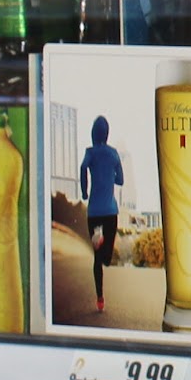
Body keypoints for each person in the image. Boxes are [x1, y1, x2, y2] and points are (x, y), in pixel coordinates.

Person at [79, 115, 124, 314]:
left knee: (97, 259)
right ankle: (103, 244)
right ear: (107, 134)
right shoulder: (113, 154)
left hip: (94, 213)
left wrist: (84, 191)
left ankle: (100, 298)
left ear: (93, 134)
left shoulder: (90, 152)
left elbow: (83, 167)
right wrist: (110, 175)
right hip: (110, 212)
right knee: (106, 258)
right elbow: (121, 180)